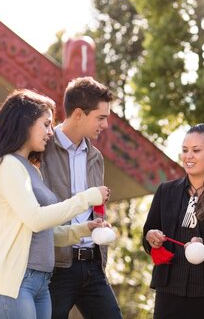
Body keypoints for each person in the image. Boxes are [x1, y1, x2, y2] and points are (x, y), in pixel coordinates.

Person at [0, 90, 110, 319]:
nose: (50, 133)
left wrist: (83, 230)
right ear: (25, 123)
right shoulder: (7, 165)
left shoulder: (31, 169)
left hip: (40, 283)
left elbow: (43, 232)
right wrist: (87, 198)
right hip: (14, 283)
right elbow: (36, 218)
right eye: (45, 124)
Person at [40, 76, 122, 319]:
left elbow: (97, 207)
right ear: (78, 114)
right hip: (56, 268)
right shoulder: (42, 150)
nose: (105, 125)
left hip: (92, 266)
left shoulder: (96, 157)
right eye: (101, 117)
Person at [143, 123, 204, 319]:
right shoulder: (166, 191)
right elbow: (147, 232)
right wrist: (150, 237)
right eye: (185, 150)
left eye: (196, 150)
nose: (188, 156)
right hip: (169, 292)